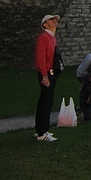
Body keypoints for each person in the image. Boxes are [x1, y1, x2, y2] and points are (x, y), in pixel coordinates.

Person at [34, 14, 62, 142]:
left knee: (46, 101)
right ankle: (42, 132)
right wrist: (44, 76)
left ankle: (40, 129)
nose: (55, 21)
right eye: (51, 19)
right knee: (46, 101)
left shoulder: (52, 38)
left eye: (55, 19)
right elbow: (41, 58)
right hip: (46, 74)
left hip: (52, 73)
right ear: (45, 24)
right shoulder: (43, 37)